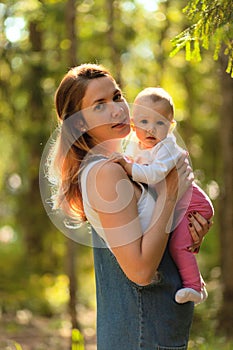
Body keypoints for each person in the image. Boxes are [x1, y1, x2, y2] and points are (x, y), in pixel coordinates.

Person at [47, 64, 211, 350]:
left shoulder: (128, 165)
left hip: (155, 332)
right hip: (141, 336)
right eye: (99, 105)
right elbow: (140, 271)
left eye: (117, 96)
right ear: (79, 124)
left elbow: (151, 237)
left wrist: (186, 229)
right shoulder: (104, 174)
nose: (117, 109)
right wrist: (170, 194)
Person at [110, 87, 214, 304]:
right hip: (179, 203)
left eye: (160, 123)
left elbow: (154, 174)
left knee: (178, 245)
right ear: (132, 124)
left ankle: (195, 289)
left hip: (192, 204)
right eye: (144, 122)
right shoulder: (136, 147)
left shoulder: (166, 147)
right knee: (178, 242)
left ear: (171, 126)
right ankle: (197, 283)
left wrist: (126, 167)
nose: (151, 129)